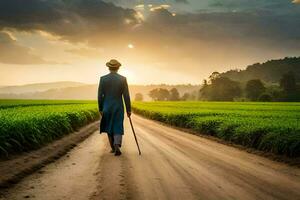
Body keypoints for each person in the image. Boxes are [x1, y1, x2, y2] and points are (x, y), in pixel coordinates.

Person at [98, 59, 131, 156]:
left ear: (109, 68)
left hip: (107, 106)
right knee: (117, 126)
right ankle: (117, 144)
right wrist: (128, 109)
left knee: (109, 126)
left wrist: (100, 108)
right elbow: (126, 96)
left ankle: (113, 147)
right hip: (118, 107)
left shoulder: (103, 79)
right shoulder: (123, 79)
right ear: (118, 68)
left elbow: (100, 95)